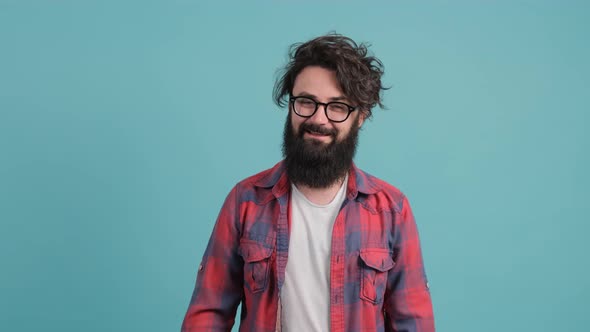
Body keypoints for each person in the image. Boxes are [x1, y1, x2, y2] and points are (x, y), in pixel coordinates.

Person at [181, 33, 435, 332]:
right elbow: (208, 314)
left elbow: (413, 324)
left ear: (361, 117)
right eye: (306, 102)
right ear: (291, 105)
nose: (319, 119)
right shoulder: (246, 201)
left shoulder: (391, 210)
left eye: (338, 106)